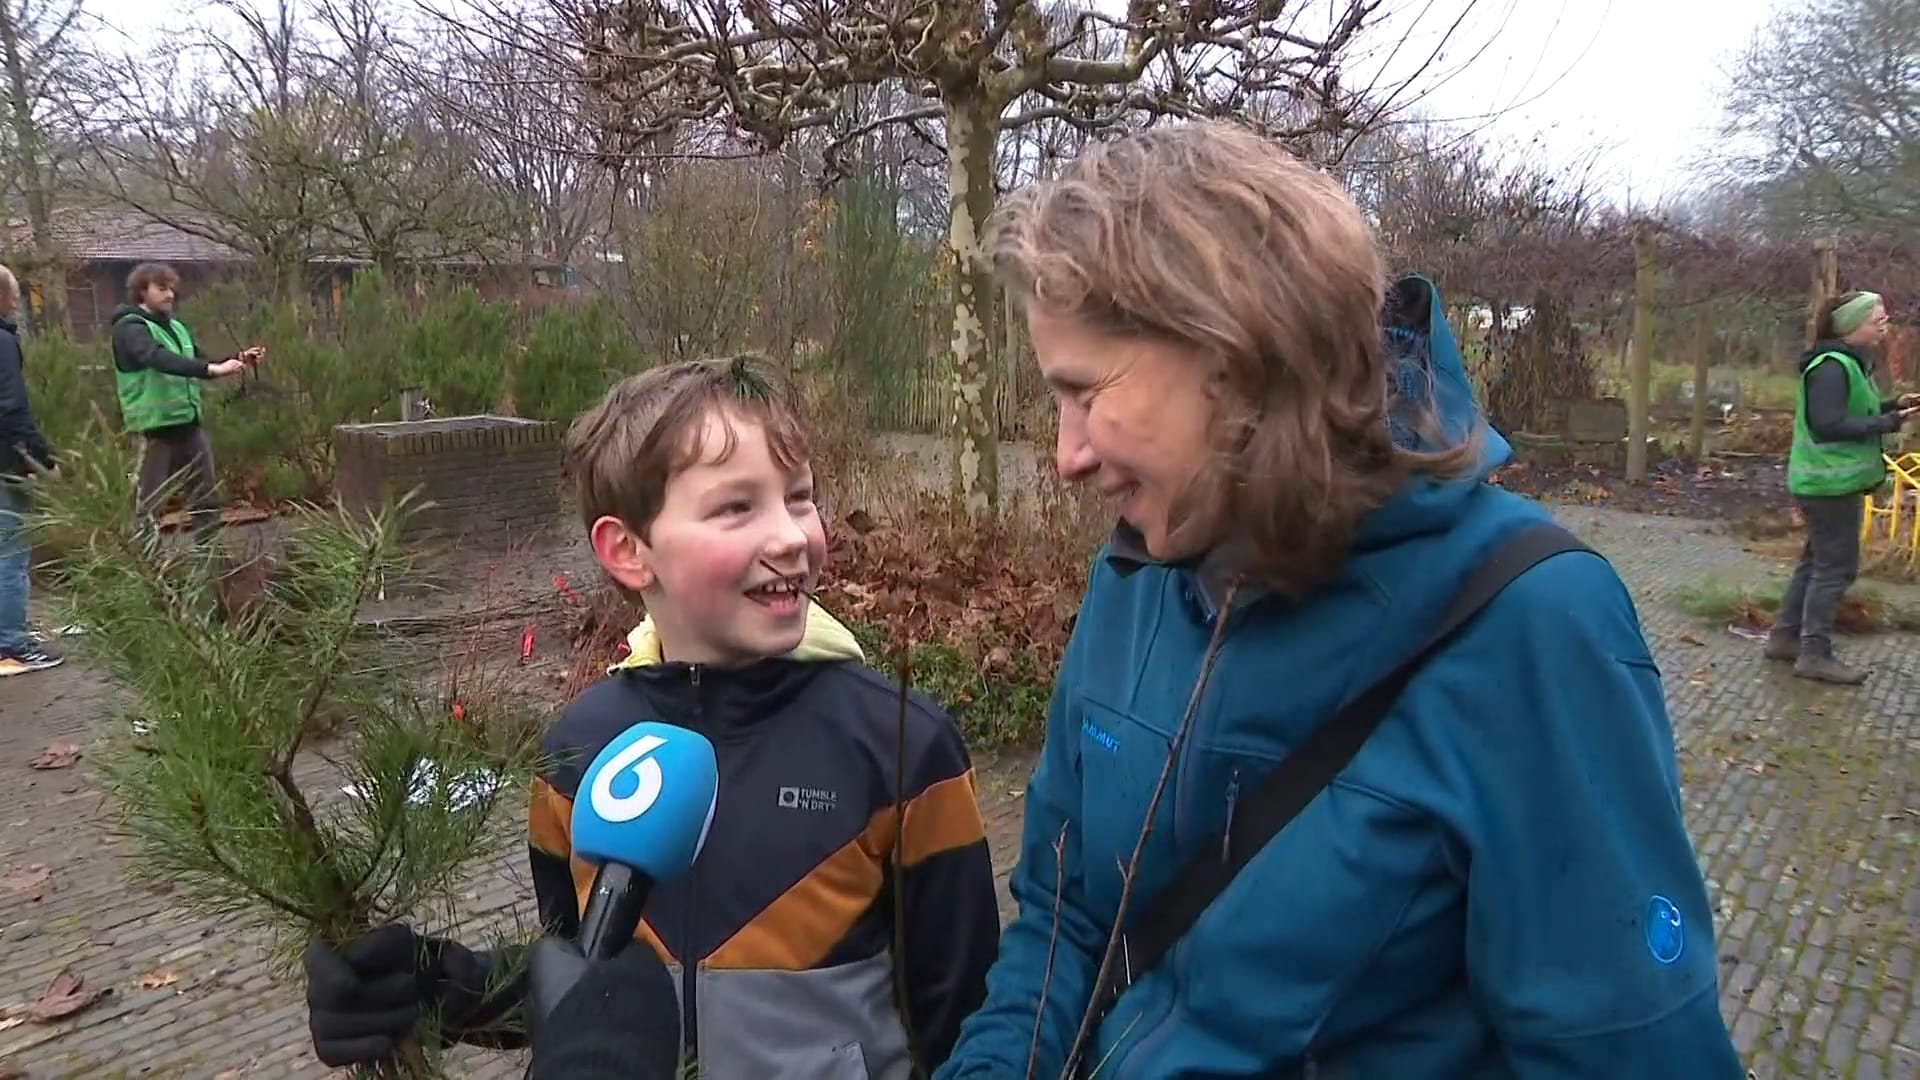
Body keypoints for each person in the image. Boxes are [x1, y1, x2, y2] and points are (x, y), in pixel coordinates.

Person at [936, 121, 1742, 1078]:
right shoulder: (1140, 575)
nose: (1066, 455)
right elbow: (1066, 921)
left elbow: (1627, 1054)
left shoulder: (1532, 624)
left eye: (1084, 392)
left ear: (1229, 352)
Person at [304, 356, 1001, 1076]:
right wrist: (439, 988)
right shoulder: (577, 753)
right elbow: (586, 986)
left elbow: (970, 1022)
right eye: (737, 507)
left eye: (799, 497)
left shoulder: (902, 749)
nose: (792, 535)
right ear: (628, 551)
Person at [1765, 290, 1917, 684]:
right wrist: (1890, 424)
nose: (1884, 324)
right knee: (1836, 567)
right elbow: (1827, 425)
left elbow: (1852, 412)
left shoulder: (1847, 364)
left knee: (1816, 562)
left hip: (1825, 481)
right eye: (1876, 319)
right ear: (1852, 326)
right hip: (1828, 484)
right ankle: (1815, 654)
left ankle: (1785, 637)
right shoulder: (1831, 367)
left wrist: (1892, 406)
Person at [109, 262, 262, 543]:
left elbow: (197, 359)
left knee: (206, 500)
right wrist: (210, 371)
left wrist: (237, 359)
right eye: (162, 288)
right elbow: (155, 357)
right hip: (152, 431)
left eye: (171, 289)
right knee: (146, 507)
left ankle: (212, 566)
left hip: (189, 427)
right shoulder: (130, 329)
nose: (170, 295)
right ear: (142, 291)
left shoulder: (177, 328)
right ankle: (146, 571)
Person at [0, 263, 61, 676]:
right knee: (10, 554)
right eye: (15, 295)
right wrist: (43, 458)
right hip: (4, 464)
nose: (18, 303)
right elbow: (11, 408)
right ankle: (11, 647)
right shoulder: (2, 341)